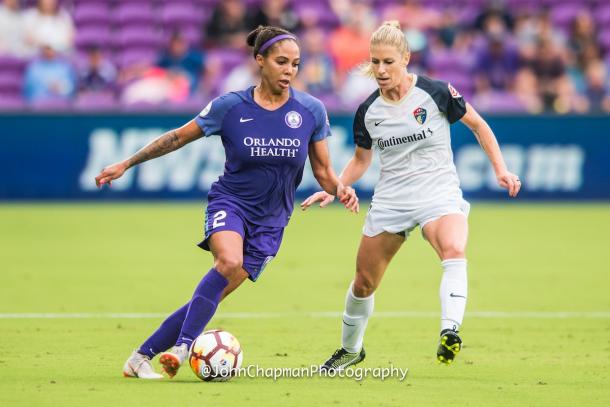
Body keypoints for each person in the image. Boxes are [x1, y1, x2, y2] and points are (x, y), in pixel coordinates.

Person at [94, 25, 358, 379]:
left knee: (210, 296)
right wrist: (126, 163)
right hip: (230, 203)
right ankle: (184, 346)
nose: (289, 71)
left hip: (273, 220)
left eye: (295, 64)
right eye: (281, 62)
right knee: (228, 261)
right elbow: (176, 138)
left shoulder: (311, 110)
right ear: (259, 61)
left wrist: (340, 188)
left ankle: (140, 357)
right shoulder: (230, 106)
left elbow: (324, 171)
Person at [301, 21, 521, 369]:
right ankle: (350, 349)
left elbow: (479, 125)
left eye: (388, 62)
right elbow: (361, 160)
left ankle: (450, 332)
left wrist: (501, 169)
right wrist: (335, 188)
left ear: (406, 58)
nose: (381, 70)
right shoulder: (368, 111)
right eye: (375, 62)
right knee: (363, 283)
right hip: (393, 200)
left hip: (439, 191)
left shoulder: (435, 92)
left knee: (453, 248)